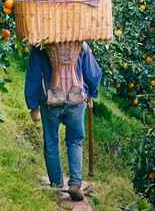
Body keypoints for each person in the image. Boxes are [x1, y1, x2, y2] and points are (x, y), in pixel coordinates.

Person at [24, 42, 102, 201]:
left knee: (51, 141)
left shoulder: (41, 45)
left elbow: (33, 76)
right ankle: (75, 183)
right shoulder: (80, 44)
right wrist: (92, 93)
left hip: (50, 101)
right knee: (75, 141)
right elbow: (93, 73)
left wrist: (33, 105)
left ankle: (56, 184)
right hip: (76, 100)